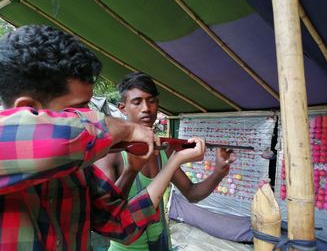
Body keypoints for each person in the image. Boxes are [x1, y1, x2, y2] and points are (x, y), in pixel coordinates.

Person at [0, 25, 206, 250]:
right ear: (28, 108)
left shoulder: (78, 169)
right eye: (80, 110)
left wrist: (173, 161)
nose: (92, 115)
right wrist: (126, 129)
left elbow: (121, 224)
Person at [95, 72, 235, 251]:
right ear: (122, 108)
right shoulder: (112, 153)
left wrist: (218, 173)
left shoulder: (164, 149)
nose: (146, 108)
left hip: (161, 244)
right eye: (137, 102)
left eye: (151, 100)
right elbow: (108, 218)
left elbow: (192, 193)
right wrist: (132, 170)